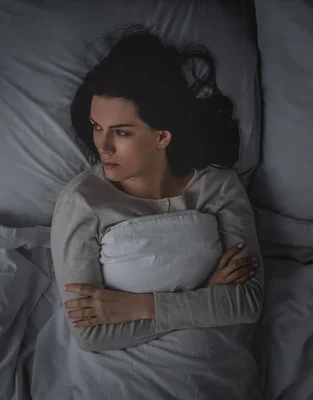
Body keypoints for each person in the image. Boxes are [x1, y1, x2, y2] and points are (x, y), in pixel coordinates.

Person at [50, 25, 263, 352]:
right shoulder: (82, 202)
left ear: (162, 136)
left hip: (211, 357)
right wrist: (207, 293)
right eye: (97, 127)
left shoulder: (217, 185)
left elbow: (247, 302)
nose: (102, 146)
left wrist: (141, 306)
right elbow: (90, 334)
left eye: (121, 133)